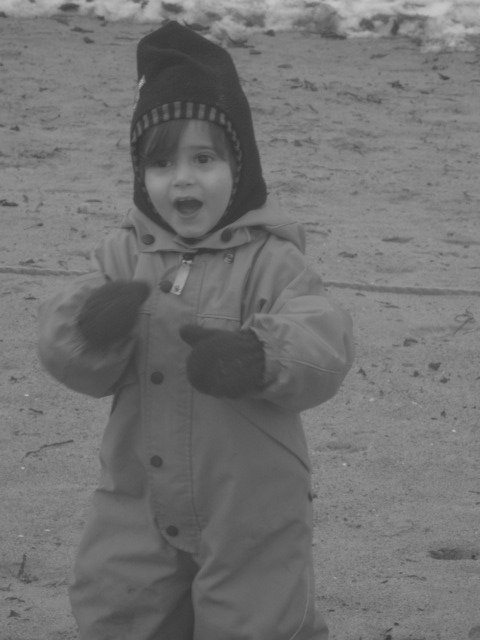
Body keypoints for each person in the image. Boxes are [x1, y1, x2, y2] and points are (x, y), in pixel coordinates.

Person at [38, 21, 354, 640]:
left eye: (203, 159)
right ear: (141, 175)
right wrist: (89, 328)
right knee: (115, 605)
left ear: (240, 166)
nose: (181, 179)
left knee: (256, 620)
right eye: (161, 162)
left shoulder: (273, 261)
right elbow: (65, 351)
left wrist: (260, 354)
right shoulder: (123, 256)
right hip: (137, 497)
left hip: (250, 505)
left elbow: (325, 339)